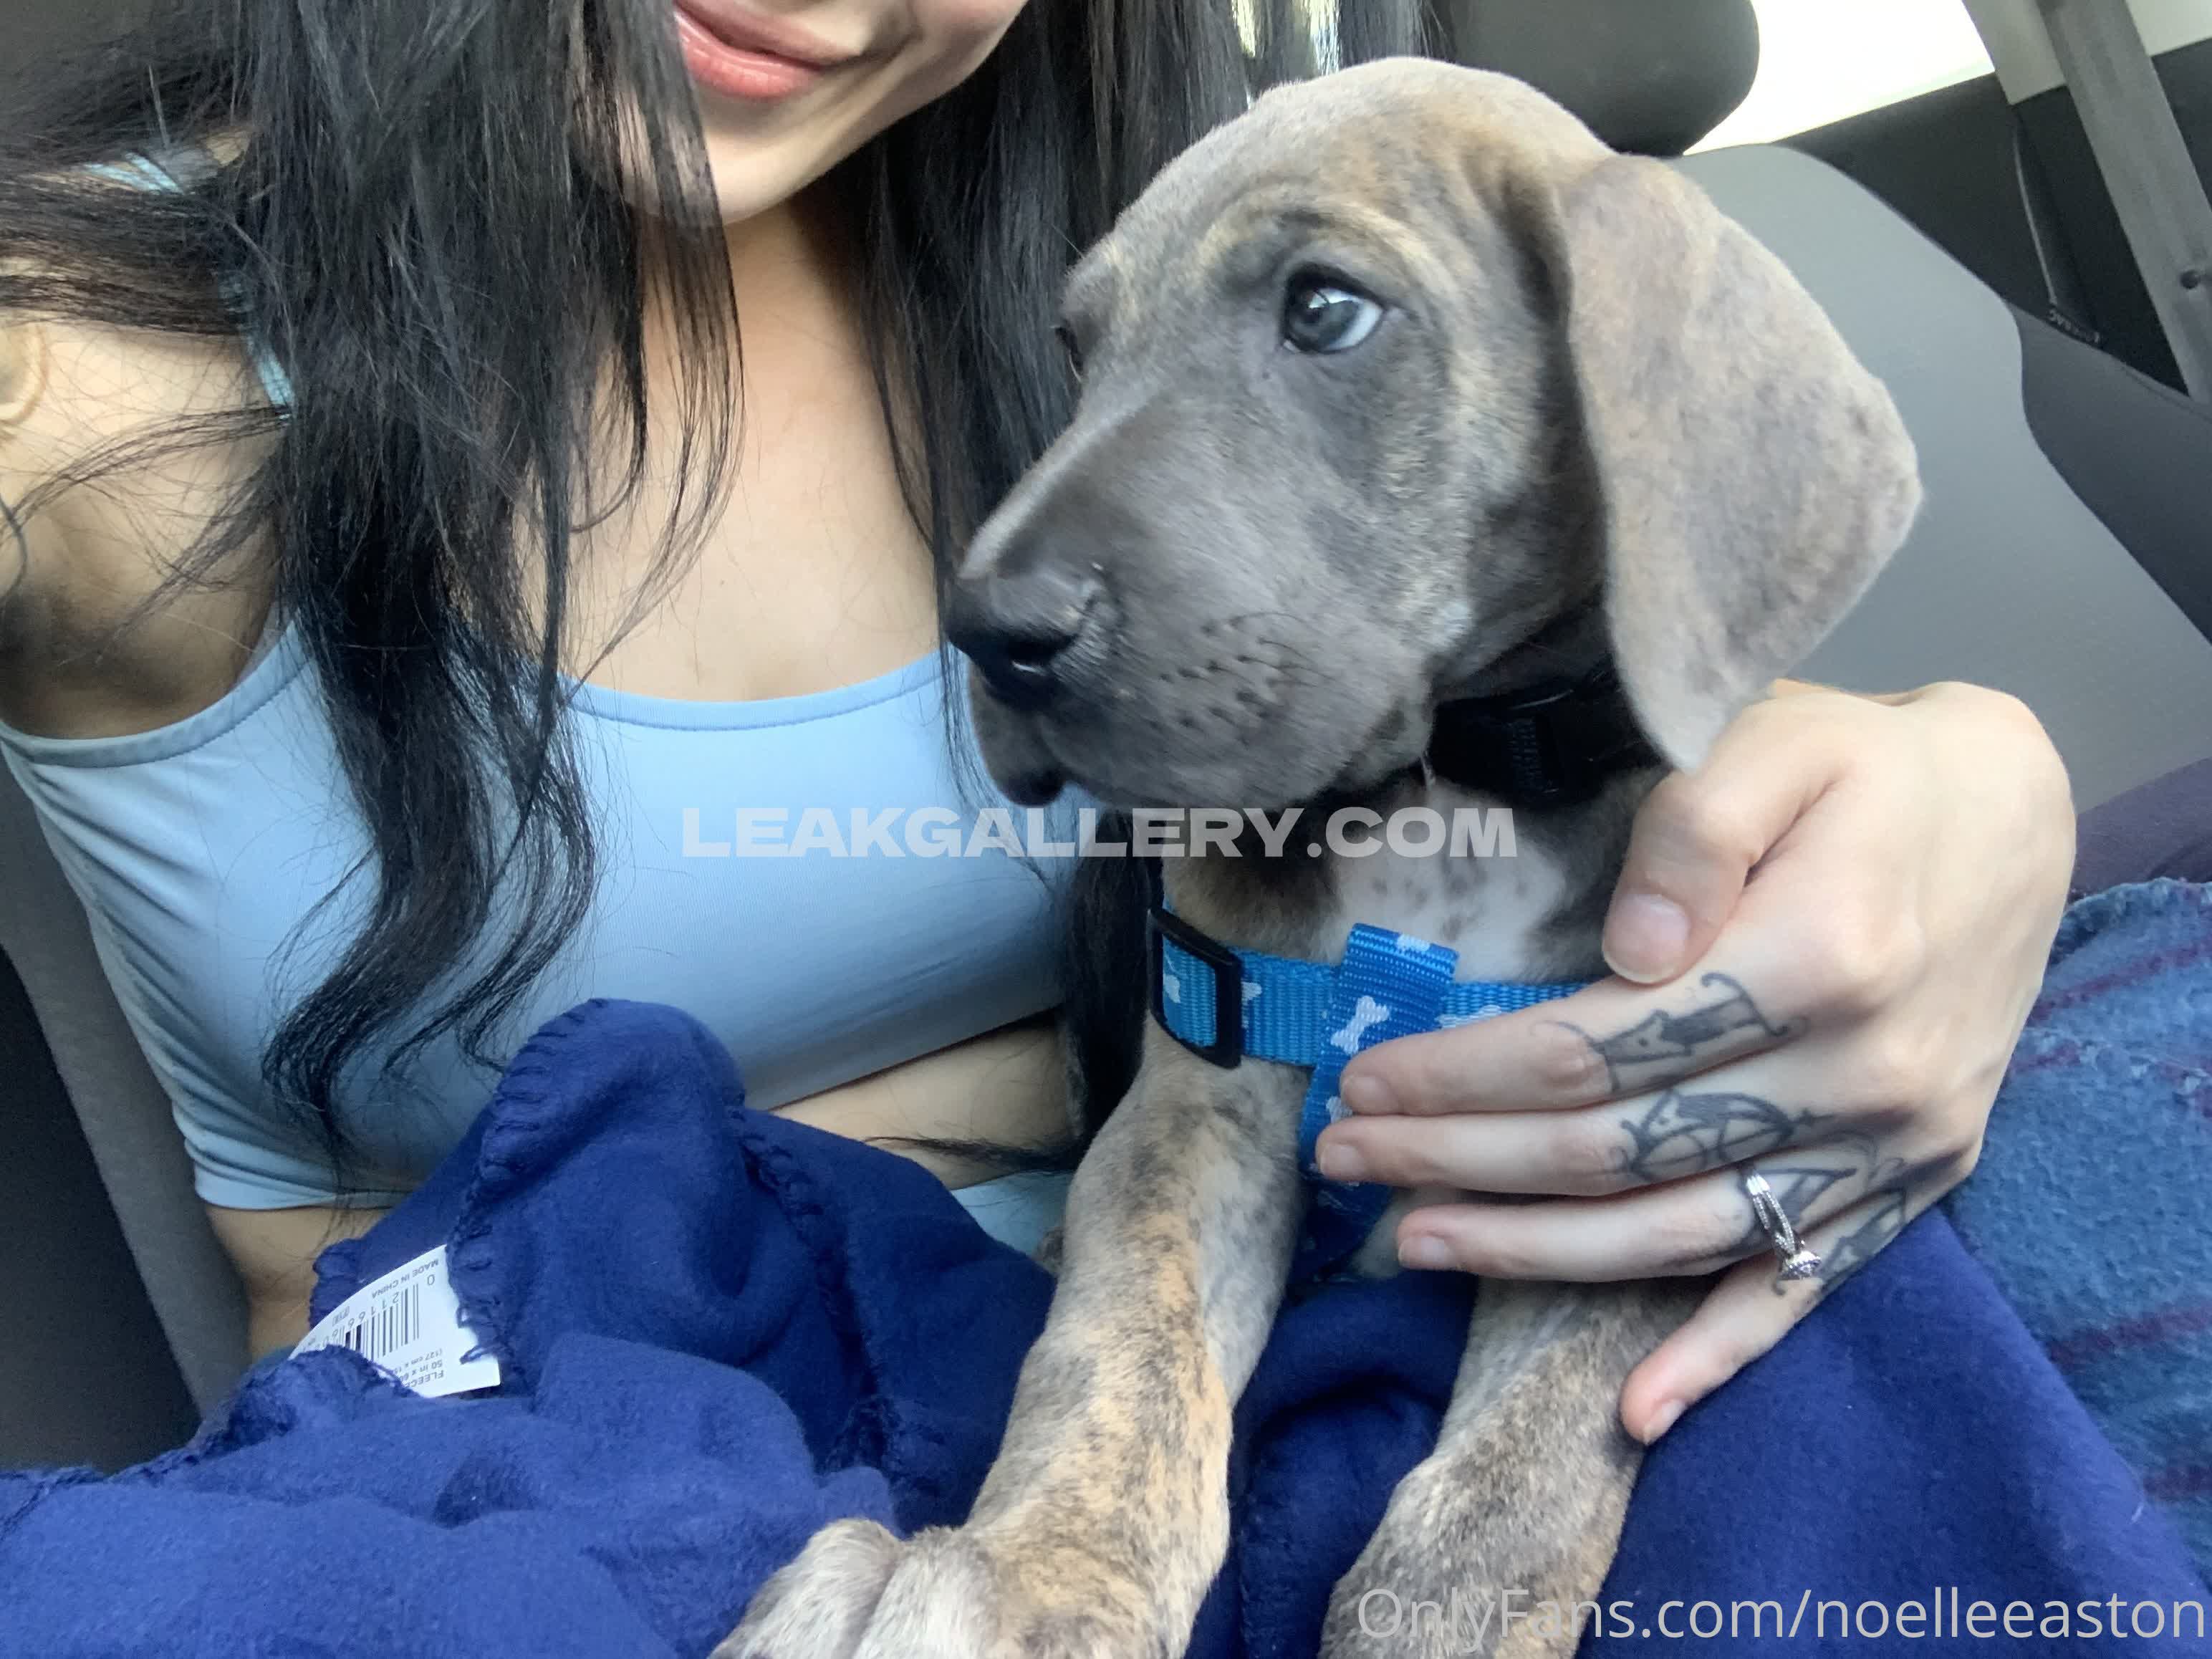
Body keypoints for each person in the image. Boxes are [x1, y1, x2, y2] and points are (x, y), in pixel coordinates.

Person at [0, 0, 2074, 1442]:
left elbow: (1527, 678)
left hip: (1307, 1322)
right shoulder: (61, 370)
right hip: (579, 1451)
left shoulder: (1132, 211)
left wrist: (1977, 782)